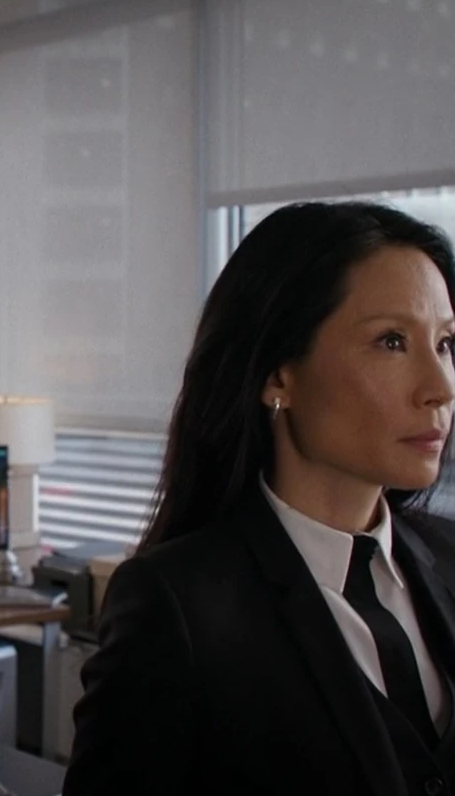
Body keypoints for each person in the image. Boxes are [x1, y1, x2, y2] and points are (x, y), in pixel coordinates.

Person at [63, 201, 455, 796]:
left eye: (446, 343)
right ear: (278, 375)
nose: (440, 387)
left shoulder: (448, 556)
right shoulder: (175, 608)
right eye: (392, 341)